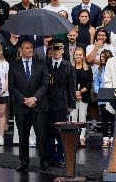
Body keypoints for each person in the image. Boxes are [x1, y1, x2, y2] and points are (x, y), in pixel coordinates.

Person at [9, 38, 50, 171]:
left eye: (31, 47)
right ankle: (24, 162)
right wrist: (25, 100)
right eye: (27, 48)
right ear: (20, 50)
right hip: (22, 107)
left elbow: (45, 84)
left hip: (39, 106)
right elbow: (12, 87)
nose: (30, 50)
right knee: (23, 136)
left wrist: (35, 98)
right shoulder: (13, 66)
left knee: (42, 135)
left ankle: (44, 162)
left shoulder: (41, 63)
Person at [46, 39, 76, 168]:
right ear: (51, 51)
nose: (56, 52)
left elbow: (71, 86)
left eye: (59, 49)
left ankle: (60, 157)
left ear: (63, 50)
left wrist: (71, 104)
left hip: (62, 102)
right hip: (48, 102)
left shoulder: (68, 65)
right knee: (49, 132)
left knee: (61, 132)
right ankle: (51, 157)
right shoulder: (45, 65)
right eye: (54, 49)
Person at [86, 27, 116, 131]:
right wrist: (96, 48)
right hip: (92, 77)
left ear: (107, 36)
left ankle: (108, 125)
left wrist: (96, 60)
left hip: (105, 79)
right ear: (96, 36)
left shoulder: (111, 47)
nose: (101, 37)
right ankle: (94, 124)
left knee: (107, 104)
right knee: (93, 101)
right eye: (99, 35)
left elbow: (111, 62)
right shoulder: (90, 47)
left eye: (103, 35)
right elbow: (88, 60)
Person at [70, 47, 92, 147]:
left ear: (83, 56)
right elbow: (67, 82)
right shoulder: (70, 68)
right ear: (74, 56)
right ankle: (74, 138)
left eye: (80, 54)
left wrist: (81, 92)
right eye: (77, 54)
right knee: (73, 117)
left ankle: (81, 137)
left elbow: (89, 83)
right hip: (72, 96)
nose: (78, 56)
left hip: (84, 96)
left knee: (82, 117)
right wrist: (75, 92)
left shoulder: (87, 68)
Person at [93, 49, 114, 148]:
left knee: (113, 119)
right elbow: (96, 82)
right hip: (102, 98)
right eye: (100, 57)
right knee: (105, 119)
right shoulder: (99, 69)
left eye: (103, 57)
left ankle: (112, 138)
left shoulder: (114, 69)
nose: (101, 59)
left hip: (112, 97)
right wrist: (98, 91)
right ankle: (105, 139)